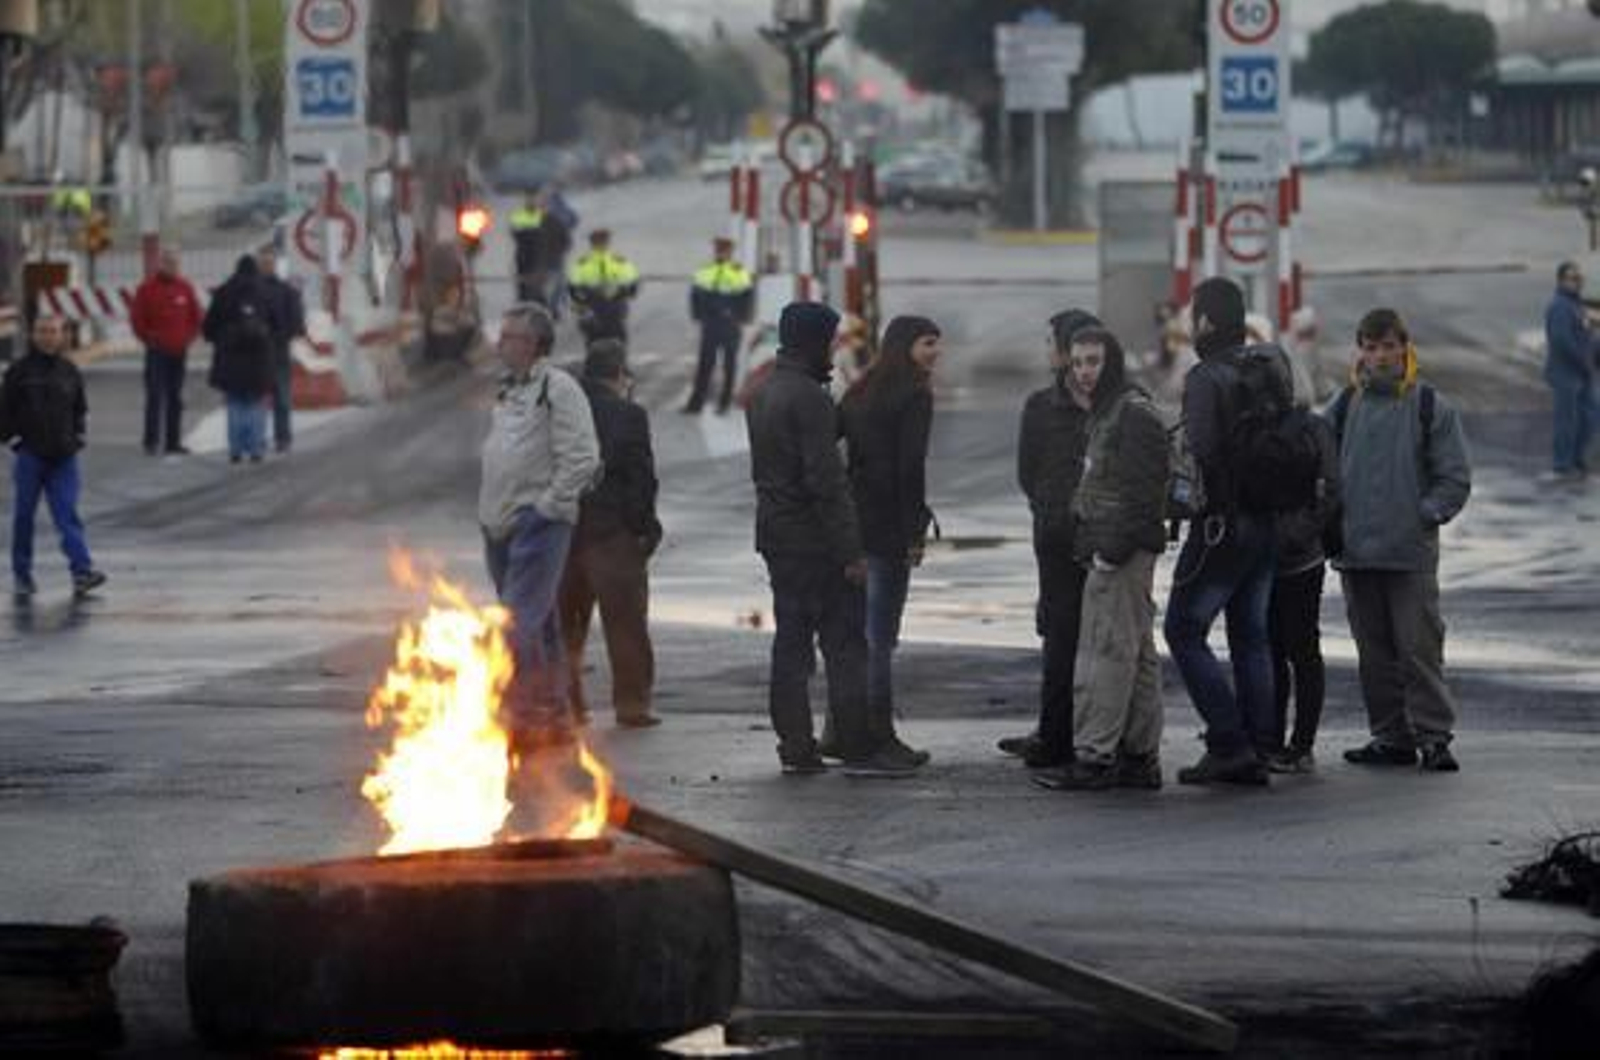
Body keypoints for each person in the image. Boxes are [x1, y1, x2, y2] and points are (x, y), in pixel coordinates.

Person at [746, 301, 920, 778]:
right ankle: (856, 743)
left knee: (791, 645)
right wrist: (850, 553)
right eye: (829, 340)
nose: (833, 349)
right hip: (816, 543)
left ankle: (796, 746)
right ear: (812, 341)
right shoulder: (808, 398)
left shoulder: (764, 391)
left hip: (777, 537)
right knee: (845, 644)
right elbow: (827, 482)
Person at [1329, 308, 1472, 773]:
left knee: (1419, 649)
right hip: (1355, 555)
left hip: (1409, 555)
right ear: (1361, 352)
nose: (1380, 356)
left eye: (1389, 346)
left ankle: (1434, 737)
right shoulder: (1344, 404)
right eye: (1371, 347)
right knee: (1374, 654)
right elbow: (1320, 466)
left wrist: (1424, 516)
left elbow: (1454, 478)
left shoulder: (1430, 405)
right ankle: (1391, 737)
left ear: (1404, 347)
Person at [1033, 327, 1168, 791]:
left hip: (1120, 552)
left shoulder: (1131, 414)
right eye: (1077, 363)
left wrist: (1111, 552)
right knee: (1136, 655)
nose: (1085, 372)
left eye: (1093, 361)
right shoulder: (1111, 410)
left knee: (1106, 653)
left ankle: (1095, 756)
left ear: (1112, 361)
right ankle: (1138, 755)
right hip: (1117, 548)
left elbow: (1146, 492)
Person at [1163, 277, 1278, 787]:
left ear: (1206, 321)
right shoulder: (1274, 363)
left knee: (1183, 630)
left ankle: (1228, 743)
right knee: (1251, 636)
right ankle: (1260, 744)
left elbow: (1202, 454)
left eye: (1195, 314)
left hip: (1222, 526)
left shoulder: (1205, 377)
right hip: (1270, 519)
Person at [480, 303, 600, 747]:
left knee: (517, 622)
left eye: (509, 336)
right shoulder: (510, 388)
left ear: (532, 344)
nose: (500, 344)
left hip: (538, 523)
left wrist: (548, 507)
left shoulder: (558, 387)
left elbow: (584, 458)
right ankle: (554, 714)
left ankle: (525, 713)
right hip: (500, 524)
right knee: (541, 624)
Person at [836, 315, 942, 768]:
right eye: (928, 344)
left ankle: (841, 731)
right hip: (888, 529)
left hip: (853, 523)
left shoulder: (860, 390)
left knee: (855, 633)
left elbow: (835, 441)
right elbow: (909, 468)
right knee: (881, 638)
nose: (935, 352)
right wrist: (914, 532)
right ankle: (880, 737)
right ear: (905, 347)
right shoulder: (914, 396)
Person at [998, 309, 1098, 769]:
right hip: (1080, 533)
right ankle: (1082, 730)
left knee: (1062, 635)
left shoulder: (1043, 405)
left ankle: (1057, 735)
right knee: (1089, 634)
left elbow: (1027, 472)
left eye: (1050, 343)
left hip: (1064, 534)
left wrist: (1048, 507)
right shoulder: (1119, 399)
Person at [558, 338, 663, 729]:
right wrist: (644, 529)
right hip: (611, 533)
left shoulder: (560, 411)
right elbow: (640, 479)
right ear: (619, 375)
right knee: (625, 624)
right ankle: (631, 705)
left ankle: (569, 704)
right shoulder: (628, 415)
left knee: (566, 624)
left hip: (565, 532)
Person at [1264, 352, 1341, 775]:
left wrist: (1298, 533)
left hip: (1300, 560)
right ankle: (1274, 739)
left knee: (1299, 649)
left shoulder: (1313, 428)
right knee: (1275, 650)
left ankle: (1301, 742)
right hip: (1272, 559)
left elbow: (1331, 491)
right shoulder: (1269, 429)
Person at [0, 314, 106, 597]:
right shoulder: (18, 372)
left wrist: (79, 435)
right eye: (42, 331)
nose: (48, 336)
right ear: (33, 335)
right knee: (24, 517)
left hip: (64, 457)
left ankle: (82, 571)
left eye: (53, 331)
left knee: (67, 515)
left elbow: (80, 408)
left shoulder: (70, 370)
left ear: (62, 335)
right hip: (30, 456)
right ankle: (22, 574)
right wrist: (14, 440)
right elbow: (4, 411)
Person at [203, 256, 279, 464]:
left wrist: (220, 338)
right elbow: (278, 324)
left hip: (230, 359)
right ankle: (256, 450)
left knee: (235, 403)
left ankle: (235, 451)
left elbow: (208, 327)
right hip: (260, 360)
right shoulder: (267, 293)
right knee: (256, 404)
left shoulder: (223, 292)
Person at [130, 249, 203, 456]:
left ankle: (173, 442)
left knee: (175, 398)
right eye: (168, 263)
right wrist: (150, 339)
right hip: (156, 352)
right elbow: (137, 320)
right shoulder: (146, 289)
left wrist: (188, 338)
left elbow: (196, 318)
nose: (172, 266)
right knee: (154, 396)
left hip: (179, 352)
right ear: (160, 264)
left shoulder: (185, 288)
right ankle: (151, 441)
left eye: (175, 263)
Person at [684, 237, 754, 414]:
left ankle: (724, 403)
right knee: (705, 364)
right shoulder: (705, 271)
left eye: (725, 250)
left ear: (730, 252)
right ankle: (696, 403)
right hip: (712, 323)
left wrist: (741, 317)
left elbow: (747, 297)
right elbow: (695, 295)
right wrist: (699, 316)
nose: (722, 253)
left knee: (729, 365)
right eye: (720, 250)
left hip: (730, 323)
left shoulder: (739, 272)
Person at [1542, 261, 1597, 482]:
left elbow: (1588, 336)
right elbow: (1561, 341)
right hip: (1566, 373)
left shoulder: (1576, 305)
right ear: (1561, 281)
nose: (1578, 282)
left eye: (1580, 278)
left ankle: (1578, 460)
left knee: (1591, 417)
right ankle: (1562, 465)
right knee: (1566, 421)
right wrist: (1583, 360)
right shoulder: (1559, 307)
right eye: (1573, 278)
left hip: (1584, 373)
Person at [255, 246, 306, 455]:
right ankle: (258, 439)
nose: (267, 266)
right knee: (257, 400)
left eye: (269, 262)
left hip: (278, 352)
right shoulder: (249, 289)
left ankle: (282, 438)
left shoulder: (286, 291)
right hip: (255, 354)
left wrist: (284, 334)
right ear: (258, 265)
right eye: (263, 263)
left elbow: (297, 324)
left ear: (275, 264)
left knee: (281, 399)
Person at [568, 229, 639, 345]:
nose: (601, 244)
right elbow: (573, 288)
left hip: (611, 306)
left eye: (602, 241)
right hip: (597, 306)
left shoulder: (618, 261)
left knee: (612, 336)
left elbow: (632, 282)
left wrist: (627, 291)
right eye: (598, 242)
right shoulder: (583, 263)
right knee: (598, 335)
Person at [509, 193, 547, 304]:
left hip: (537, 251)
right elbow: (514, 231)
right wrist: (531, 233)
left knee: (537, 277)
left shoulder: (541, 215)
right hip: (524, 251)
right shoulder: (518, 215)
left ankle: (537, 298)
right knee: (523, 276)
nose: (531, 204)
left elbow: (547, 232)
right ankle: (523, 299)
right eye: (529, 202)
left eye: (533, 202)